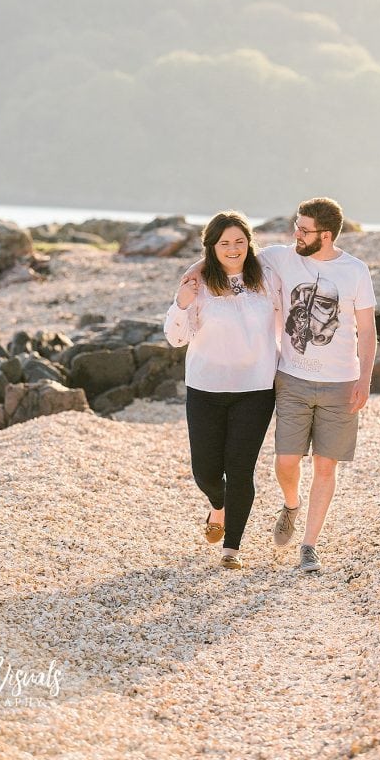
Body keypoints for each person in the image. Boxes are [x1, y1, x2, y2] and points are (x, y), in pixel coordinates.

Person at [260, 197, 377, 574]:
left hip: (340, 385)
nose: (296, 233)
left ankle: (309, 546)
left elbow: (368, 331)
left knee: (326, 467)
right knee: (287, 460)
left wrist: (364, 379)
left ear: (325, 235)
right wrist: (195, 271)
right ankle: (291, 504)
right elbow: (235, 254)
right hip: (292, 379)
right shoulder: (284, 256)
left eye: (304, 229)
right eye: (296, 225)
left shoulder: (355, 270)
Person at [164, 211, 281, 571]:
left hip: (257, 388)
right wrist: (181, 302)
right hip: (206, 387)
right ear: (211, 247)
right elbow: (175, 338)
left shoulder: (268, 275)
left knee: (241, 470)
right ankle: (218, 505)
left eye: (240, 242)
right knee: (206, 472)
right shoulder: (196, 282)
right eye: (224, 243)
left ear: (250, 243)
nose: (233, 249)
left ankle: (231, 549)